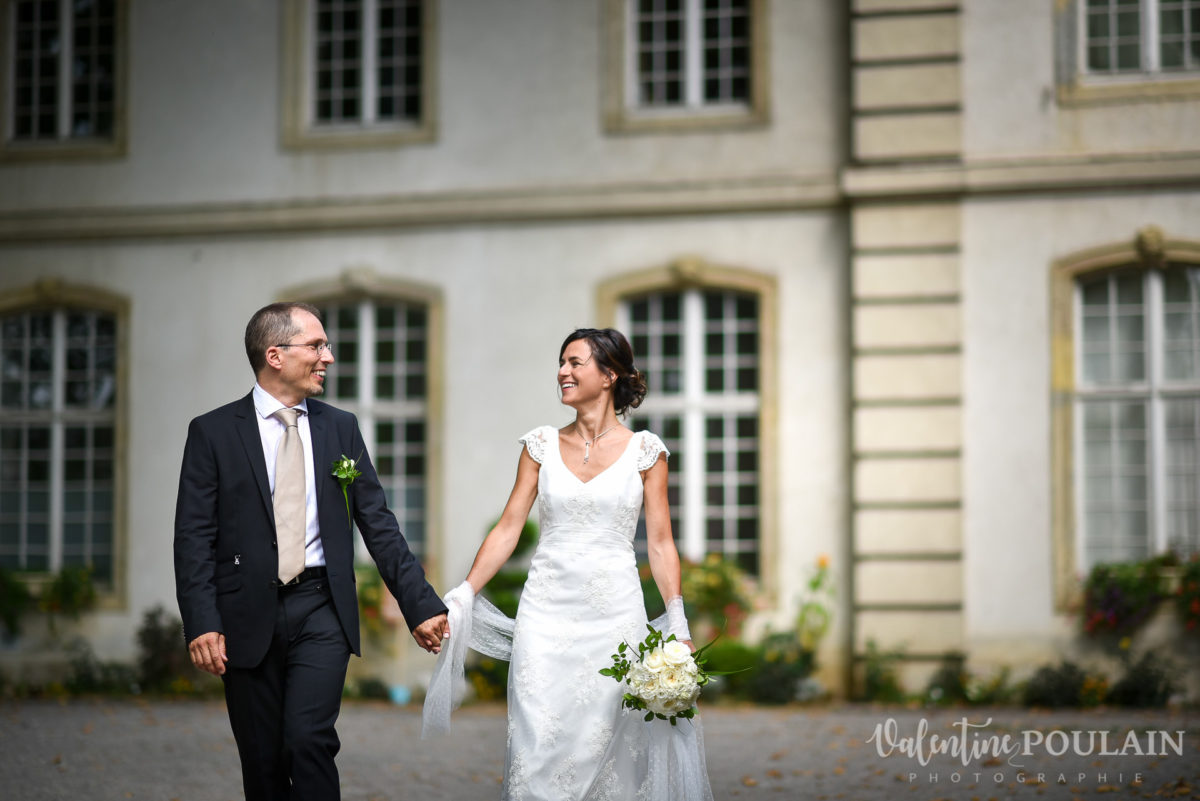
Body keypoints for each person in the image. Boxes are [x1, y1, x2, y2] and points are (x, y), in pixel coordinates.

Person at [174, 302, 448, 801]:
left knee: (308, 739)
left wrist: (421, 604)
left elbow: (378, 523)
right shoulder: (212, 432)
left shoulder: (338, 427)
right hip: (243, 613)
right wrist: (202, 620)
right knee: (263, 759)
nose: (329, 356)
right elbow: (193, 535)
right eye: (317, 345)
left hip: (322, 606)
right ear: (275, 355)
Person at [429, 328, 712, 800]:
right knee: (535, 743)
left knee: (615, 751)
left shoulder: (646, 451)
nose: (562, 372)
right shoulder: (539, 444)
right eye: (561, 362)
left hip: (615, 620)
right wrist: (465, 591)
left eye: (575, 362)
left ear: (609, 375)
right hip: (544, 617)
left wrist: (677, 619)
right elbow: (508, 527)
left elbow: (660, 543)